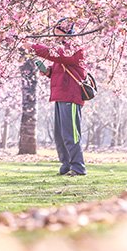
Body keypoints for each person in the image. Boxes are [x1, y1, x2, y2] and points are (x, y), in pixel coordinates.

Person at [28, 18, 87, 176]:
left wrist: (34, 47)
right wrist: (48, 72)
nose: (56, 36)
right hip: (60, 94)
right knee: (60, 134)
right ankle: (66, 165)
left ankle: (78, 167)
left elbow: (60, 57)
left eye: (58, 33)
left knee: (71, 133)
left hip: (71, 95)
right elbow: (60, 66)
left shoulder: (74, 48)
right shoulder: (61, 49)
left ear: (67, 32)